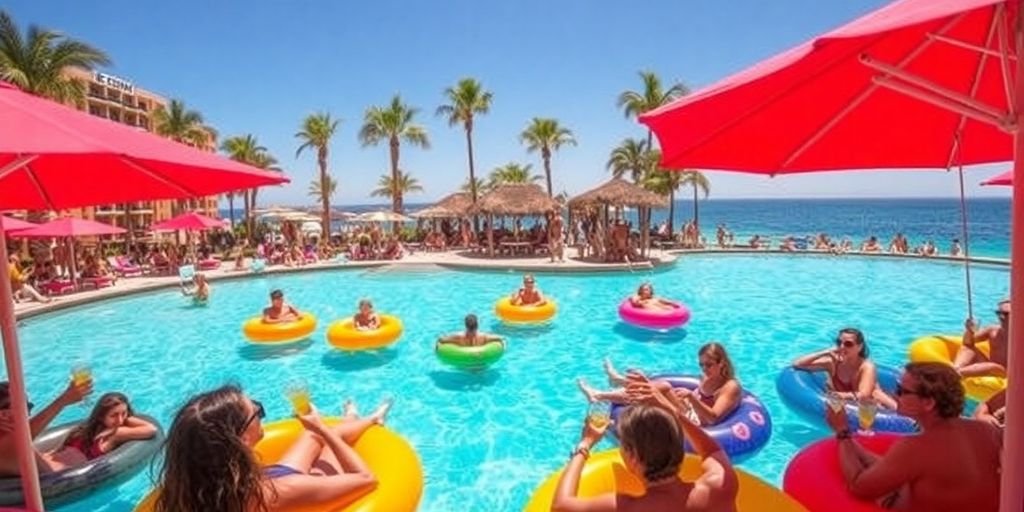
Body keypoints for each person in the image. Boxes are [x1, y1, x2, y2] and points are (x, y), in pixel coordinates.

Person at [153, 385, 390, 512]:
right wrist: (323, 428)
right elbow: (367, 480)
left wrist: (317, 429)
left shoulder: (192, 491)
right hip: (277, 490)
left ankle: (360, 418)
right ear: (241, 439)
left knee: (311, 434)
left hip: (265, 480)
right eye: (256, 412)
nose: (260, 414)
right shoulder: (276, 493)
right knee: (328, 439)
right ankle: (371, 418)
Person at [553, 370, 738, 512]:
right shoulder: (719, 486)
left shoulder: (628, 507)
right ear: (678, 447)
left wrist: (585, 444)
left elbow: (560, 507)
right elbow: (712, 451)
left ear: (633, 458)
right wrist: (671, 410)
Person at [825, 362, 1000, 511]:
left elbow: (858, 487)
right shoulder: (986, 431)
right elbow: (905, 467)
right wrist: (853, 445)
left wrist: (841, 430)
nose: (895, 395)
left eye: (902, 391)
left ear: (928, 403)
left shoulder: (916, 446)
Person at [578, 343, 742, 427]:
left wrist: (691, 397)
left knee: (651, 393)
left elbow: (713, 418)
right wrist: (688, 400)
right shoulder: (708, 376)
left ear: (722, 363)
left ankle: (599, 394)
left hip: (695, 424)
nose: (704, 369)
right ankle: (616, 382)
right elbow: (698, 398)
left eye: (709, 365)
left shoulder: (729, 387)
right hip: (688, 410)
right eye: (701, 364)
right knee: (662, 385)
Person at [0, 378, 93, 476]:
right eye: (26, 407)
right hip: (62, 479)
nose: (29, 414)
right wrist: (64, 399)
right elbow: (25, 433)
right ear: (3, 414)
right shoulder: (10, 442)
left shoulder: (10, 439)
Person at [792, 328, 897, 409]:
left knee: (878, 395)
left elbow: (864, 395)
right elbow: (797, 364)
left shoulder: (867, 366)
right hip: (848, 404)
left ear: (860, 347)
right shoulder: (833, 362)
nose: (842, 347)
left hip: (874, 405)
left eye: (848, 344)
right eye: (839, 342)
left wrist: (838, 395)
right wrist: (825, 352)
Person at [59, 392, 156, 461]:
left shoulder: (116, 433)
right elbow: (151, 428)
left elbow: (152, 429)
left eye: (124, 413)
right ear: (101, 416)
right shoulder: (88, 431)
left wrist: (127, 418)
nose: (120, 420)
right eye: (114, 415)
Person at [953, 299, 1009, 378]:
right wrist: (970, 331)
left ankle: (955, 374)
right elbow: (967, 343)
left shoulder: (1019, 335)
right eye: (998, 313)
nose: (1001, 317)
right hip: (992, 367)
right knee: (968, 348)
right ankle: (955, 369)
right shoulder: (992, 330)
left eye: (1006, 314)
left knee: (993, 367)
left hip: (1007, 373)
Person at [437, 314, 503, 348]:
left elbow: (441, 339)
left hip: (467, 364)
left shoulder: (458, 337)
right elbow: (501, 338)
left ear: (465, 326)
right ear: (477, 326)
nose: (472, 335)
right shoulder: (483, 337)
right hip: (478, 364)